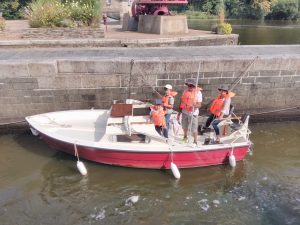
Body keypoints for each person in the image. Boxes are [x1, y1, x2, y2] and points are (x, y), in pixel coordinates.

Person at [177, 79, 202, 145]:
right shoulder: (185, 91)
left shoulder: (198, 93)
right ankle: (185, 137)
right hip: (184, 112)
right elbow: (181, 102)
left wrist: (195, 105)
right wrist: (179, 113)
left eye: (191, 86)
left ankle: (195, 141)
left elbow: (199, 105)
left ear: (194, 86)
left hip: (193, 113)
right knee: (184, 126)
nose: (189, 87)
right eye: (188, 85)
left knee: (194, 128)